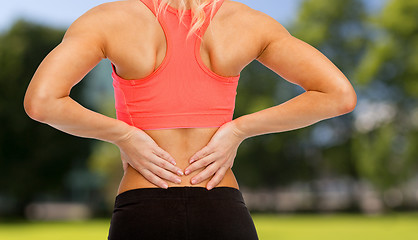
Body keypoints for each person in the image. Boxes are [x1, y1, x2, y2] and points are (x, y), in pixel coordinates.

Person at [23, 0, 357, 239]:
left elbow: (42, 102)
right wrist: (238, 130)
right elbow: (338, 95)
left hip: (143, 208)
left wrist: (125, 136)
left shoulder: (109, 19)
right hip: (221, 207)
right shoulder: (247, 21)